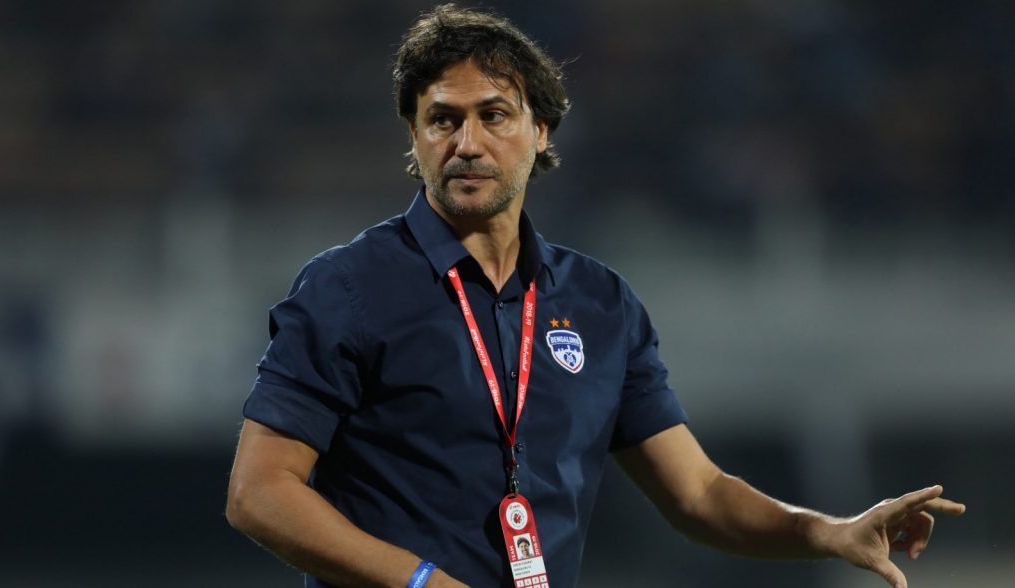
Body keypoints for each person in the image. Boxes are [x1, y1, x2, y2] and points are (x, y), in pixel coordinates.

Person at [225, 5, 965, 588]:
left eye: (494, 115)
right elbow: (258, 492)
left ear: (541, 131)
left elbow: (700, 495)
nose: (467, 143)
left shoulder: (601, 304)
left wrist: (827, 531)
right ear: (414, 138)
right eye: (442, 119)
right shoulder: (348, 287)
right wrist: (424, 584)